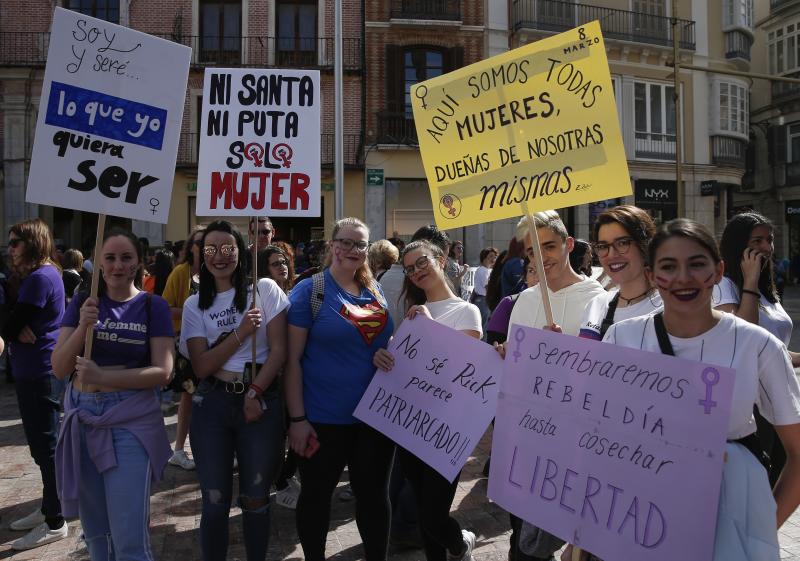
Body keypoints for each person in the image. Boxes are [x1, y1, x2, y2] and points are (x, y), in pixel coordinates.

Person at [603, 218, 800, 561]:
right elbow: (596, 438)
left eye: (696, 264)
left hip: (733, 516)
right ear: (651, 275)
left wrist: (760, 533)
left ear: (718, 270)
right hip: (640, 520)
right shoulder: (621, 339)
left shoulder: (759, 345)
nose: (683, 278)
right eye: (668, 266)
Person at [52, 228, 174, 560]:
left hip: (129, 423)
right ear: (98, 263)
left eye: (126, 258)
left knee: (129, 538)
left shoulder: (153, 306)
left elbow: (163, 372)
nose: (118, 265)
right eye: (110, 258)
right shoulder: (82, 301)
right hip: (83, 418)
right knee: (97, 537)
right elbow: (60, 367)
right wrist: (82, 328)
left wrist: (102, 375)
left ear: (138, 263)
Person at [286, 217, 395, 561]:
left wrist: (386, 353)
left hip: (374, 419)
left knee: (375, 499)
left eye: (359, 244)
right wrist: (297, 419)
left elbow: (381, 343)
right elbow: (292, 362)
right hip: (323, 420)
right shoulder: (310, 291)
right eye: (345, 242)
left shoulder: (374, 290)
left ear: (367, 250)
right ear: (332, 245)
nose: (351, 250)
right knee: (317, 498)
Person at [181, 220, 289, 561]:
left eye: (227, 248)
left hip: (260, 401)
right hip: (212, 403)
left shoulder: (266, 290)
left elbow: (279, 351)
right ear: (201, 256)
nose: (219, 257)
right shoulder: (194, 305)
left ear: (240, 252)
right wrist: (241, 333)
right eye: (210, 250)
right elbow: (201, 366)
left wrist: (256, 391)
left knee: (256, 499)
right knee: (214, 502)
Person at [501, 211, 605, 561]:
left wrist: (565, 357)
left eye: (549, 246)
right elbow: (517, 373)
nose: (541, 257)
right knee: (526, 546)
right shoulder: (525, 301)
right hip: (529, 439)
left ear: (569, 245)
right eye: (532, 251)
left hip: (579, 446)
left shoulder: (599, 298)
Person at [373, 239, 481, 561]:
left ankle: (461, 545)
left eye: (422, 263)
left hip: (448, 430)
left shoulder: (468, 311)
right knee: (423, 513)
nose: (416, 272)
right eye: (409, 268)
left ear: (441, 260)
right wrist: (384, 357)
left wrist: (429, 328)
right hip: (412, 427)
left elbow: (461, 369)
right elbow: (405, 368)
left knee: (434, 514)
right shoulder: (410, 316)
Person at [717, 212, 800, 486]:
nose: (767, 247)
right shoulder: (724, 286)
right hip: (749, 408)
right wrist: (749, 280)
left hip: (780, 401)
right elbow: (742, 339)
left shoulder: (767, 291)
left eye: (770, 239)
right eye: (757, 241)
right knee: (756, 486)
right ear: (739, 246)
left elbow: (774, 351)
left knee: (777, 483)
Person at [1, 219, 68, 551]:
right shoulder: (41, 275)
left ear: (33, 242)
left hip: (40, 371)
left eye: (15, 242)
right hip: (36, 370)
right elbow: (12, 322)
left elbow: (10, 322)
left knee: (46, 447)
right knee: (43, 447)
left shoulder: (41, 277)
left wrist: (13, 325)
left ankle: (55, 522)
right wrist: (13, 325)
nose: (10, 248)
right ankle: (48, 508)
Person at [256, 244, 300, 509]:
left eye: (283, 261)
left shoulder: (295, 292)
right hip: (273, 376)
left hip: (295, 375)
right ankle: (278, 480)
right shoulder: (260, 294)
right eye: (275, 263)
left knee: (297, 428)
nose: (282, 266)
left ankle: (284, 476)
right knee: (276, 434)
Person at [579, 205, 661, 341]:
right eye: (603, 246)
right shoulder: (597, 304)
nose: (611, 254)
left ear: (645, 245)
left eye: (622, 243)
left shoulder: (670, 309)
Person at [162, 228, 205, 470]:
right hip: (186, 344)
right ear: (191, 247)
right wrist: (194, 311)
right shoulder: (181, 272)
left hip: (213, 344)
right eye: (198, 243)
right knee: (189, 397)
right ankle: (179, 449)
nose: (203, 247)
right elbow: (165, 307)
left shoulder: (216, 271)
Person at [485, 257, 536, 346]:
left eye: (544, 271)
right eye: (531, 271)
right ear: (525, 277)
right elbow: (492, 348)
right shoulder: (509, 304)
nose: (538, 278)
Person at [471, 247, 497, 327]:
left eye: (495, 256)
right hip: (483, 300)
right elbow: (488, 287)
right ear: (484, 257)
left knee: (485, 325)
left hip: (485, 300)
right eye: (491, 256)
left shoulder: (489, 270)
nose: (493, 259)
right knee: (483, 326)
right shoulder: (482, 270)